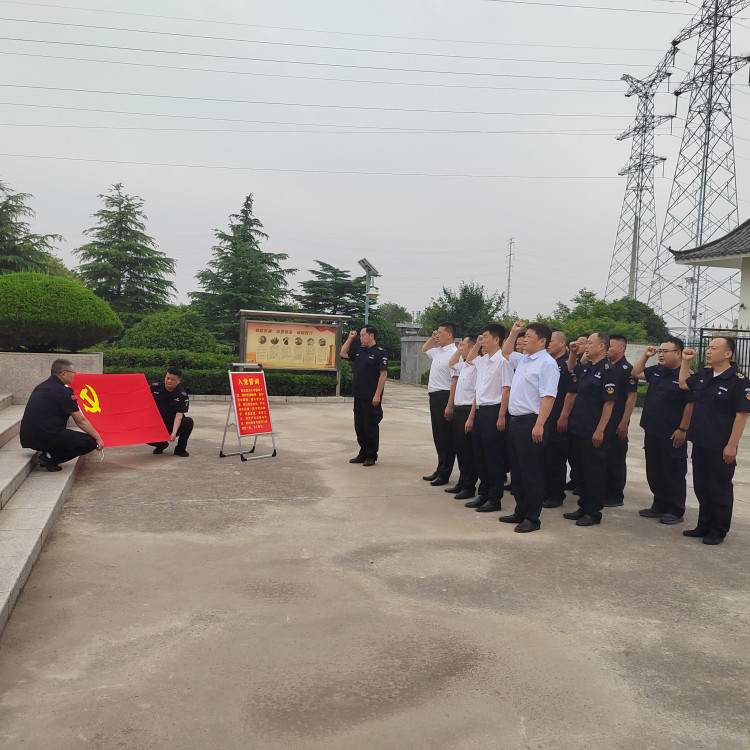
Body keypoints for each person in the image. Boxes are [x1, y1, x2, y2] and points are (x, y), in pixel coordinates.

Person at [679, 338, 750, 545]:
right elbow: (683, 384)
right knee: (701, 486)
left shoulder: (739, 381)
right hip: (701, 441)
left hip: (720, 445)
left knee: (719, 488)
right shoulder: (705, 375)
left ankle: (718, 530)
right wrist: (685, 361)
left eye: (714, 348)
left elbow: (741, 416)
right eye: (708, 347)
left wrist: (731, 445)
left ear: (728, 354)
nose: (708, 351)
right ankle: (704, 525)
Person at [500, 322, 560, 533]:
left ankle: (532, 518)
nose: (525, 340)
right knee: (517, 470)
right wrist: (514, 332)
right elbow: (506, 352)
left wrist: (539, 424)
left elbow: (549, 397)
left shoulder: (547, 363)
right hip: (516, 421)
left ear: (542, 341)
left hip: (531, 422)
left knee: (531, 472)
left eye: (529, 337)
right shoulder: (525, 359)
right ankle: (520, 510)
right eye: (524, 337)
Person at [631, 337, 694, 525]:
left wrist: (683, 429)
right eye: (660, 351)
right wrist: (646, 355)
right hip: (652, 429)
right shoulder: (657, 371)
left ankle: (675, 509)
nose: (661, 355)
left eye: (666, 351)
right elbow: (636, 372)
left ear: (678, 353)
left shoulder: (685, 375)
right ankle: (659, 504)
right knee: (655, 470)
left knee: (673, 472)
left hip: (672, 432)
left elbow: (691, 404)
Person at [563, 332, 618, 526]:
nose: (586, 346)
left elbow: (609, 403)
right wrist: (572, 352)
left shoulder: (608, 370)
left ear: (601, 346)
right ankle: (583, 507)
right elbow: (571, 368)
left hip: (594, 430)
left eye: (589, 343)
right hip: (580, 427)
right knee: (581, 470)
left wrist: (600, 429)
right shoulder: (587, 368)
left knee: (594, 472)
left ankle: (593, 512)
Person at [463, 324, 515, 513]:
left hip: (494, 411)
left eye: (485, 337)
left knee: (494, 458)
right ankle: (483, 494)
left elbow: (506, 390)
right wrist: (477, 344)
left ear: (496, 339)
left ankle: (494, 498)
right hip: (480, 411)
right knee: (480, 456)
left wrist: (501, 416)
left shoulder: (503, 361)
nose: (482, 340)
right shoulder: (483, 360)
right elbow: (469, 359)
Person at [20, 358, 103, 471]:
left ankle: (47, 452)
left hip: (28, 437)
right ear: (63, 374)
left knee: (65, 434)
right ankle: (49, 458)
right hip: (45, 436)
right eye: (72, 372)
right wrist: (98, 438)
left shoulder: (41, 387)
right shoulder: (63, 392)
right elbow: (80, 421)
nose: (74, 375)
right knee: (89, 442)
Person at [341, 325, 388, 467]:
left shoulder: (380, 353)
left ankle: (371, 455)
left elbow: (383, 375)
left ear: (371, 336)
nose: (361, 338)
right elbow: (343, 353)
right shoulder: (360, 351)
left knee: (370, 427)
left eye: (363, 335)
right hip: (359, 395)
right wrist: (350, 338)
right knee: (359, 426)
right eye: (360, 335)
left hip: (371, 397)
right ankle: (363, 452)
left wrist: (377, 395)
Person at [542, 329, 578, 508]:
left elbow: (571, 392)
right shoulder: (548, 362)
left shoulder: (567, 364)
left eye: (551, 341)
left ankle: (556, 494)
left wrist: (563, 416)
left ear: (562, 343)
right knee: (545, 455)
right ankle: (545, 490)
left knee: (556, 457)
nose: (547, 344)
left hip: (558, 417)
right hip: (545, 417)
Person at [603, 335, 638, 508]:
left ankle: (616, 495)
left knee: (616, 457)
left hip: (618, 419)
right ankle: (604, 491)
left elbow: (631, 397)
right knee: (605, 456)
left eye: (610, 346)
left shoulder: (627, 369)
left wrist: (624, 422)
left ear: (621, 349)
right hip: (606, 419)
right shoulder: (607, 366)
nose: (607, 349)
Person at [422, 322, 458, 485]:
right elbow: (424, 349)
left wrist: (450, 405)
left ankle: (445, 473)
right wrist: (432, 337)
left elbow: (454, 381)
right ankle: (440, 468)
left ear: (449, 335)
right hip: (434, 397)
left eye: (440, 333)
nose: (437, 335)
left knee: (446, 438)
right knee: (438, 436)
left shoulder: (454, 353)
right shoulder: (438, 351)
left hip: (445, 396)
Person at [446, 335, 479, 500]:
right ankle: (462, 481)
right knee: (460, 449)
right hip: (459, 410)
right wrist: (459, 351)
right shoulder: (464, 365)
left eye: (463, 345)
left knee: (468, 451)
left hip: (468, 411)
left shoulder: (476, 367)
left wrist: (471, 417)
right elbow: (451, 363)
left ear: (472, 348)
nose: (461, 347)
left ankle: (469, 486)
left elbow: (477, 395)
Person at [565, 333, 590, 494]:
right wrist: (574, 352)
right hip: (576, 418)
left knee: (588, 459)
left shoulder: (603, 368)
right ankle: (576, 480)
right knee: (574, 453)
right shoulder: (581, 366)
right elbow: (571, 367)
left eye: (585, 343)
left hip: (590, 421)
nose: (580, 345)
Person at [149, 366, 193, 457]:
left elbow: (179, 416)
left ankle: (180, 449)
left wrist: (174, 433)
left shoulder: (182, 395)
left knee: (188, 422)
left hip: (172, 424)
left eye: (172, 379)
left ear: (179, 380)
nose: (169, 381)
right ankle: (161, 444)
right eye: (167, 378)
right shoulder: (154, 388)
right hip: (157, 424)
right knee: (144, 435)